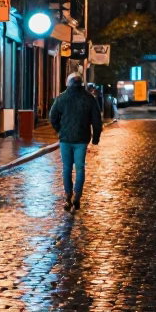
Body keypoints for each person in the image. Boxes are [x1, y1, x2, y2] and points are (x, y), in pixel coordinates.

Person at [49, 72, 103, 211]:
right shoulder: (89, 98)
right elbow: (97, 120)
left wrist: (59, 129)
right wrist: (95, 138)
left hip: (65, 139)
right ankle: (77, 196)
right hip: (81, 139)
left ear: (69, 83)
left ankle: (68, 195)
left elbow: (52, 116)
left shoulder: (62, 98)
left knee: (67, 168)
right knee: (80, 168)